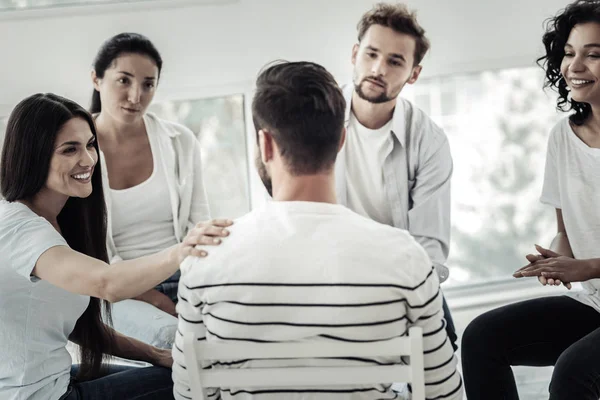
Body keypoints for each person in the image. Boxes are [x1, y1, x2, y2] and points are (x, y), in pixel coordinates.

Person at [171, 61, 463, 400]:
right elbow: (444, 394)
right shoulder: (406, 257)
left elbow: (188, 393)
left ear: (266, 145)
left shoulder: (205, 259)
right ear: (341, 140)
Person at [0, 93, 224, 400]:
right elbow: (107, 283)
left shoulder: (58, 222)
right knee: (195, 383)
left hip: (58, 381)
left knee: (178, 371)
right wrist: (181, 250)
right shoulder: (18, 226)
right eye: (70, 149)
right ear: (34, 156)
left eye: (90, 144)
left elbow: (78, 329)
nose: (88, 159)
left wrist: (155, 355)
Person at [462, 1, 600, 399]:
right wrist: (556, 262)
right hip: (596, 305)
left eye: (593, 54)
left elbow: (585, 261)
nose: (575, 65)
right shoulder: (563, 137)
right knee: (481, 337)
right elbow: (565, 231)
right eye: (570, 53)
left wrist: (584, 267)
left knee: (574, 371)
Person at [335, 3, 457, 349]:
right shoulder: (317, 117)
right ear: (355, 54)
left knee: (442, 341)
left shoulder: (429, 141)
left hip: (401, 279)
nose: (378, 69)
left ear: (413, 74)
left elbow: (429, 248)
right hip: (332, 276)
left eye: (395, 61)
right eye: (371, 54)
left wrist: (393, 304)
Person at [90, 32, 222, 348]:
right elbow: (87, 252)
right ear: (96, 79)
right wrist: (155, 298)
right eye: (124, 80)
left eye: (148, 84)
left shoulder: (180, 142)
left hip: (186, 275)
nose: (136, 96)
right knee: (173, 339)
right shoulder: (76, 151)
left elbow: (198, 224)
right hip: (121, 290)